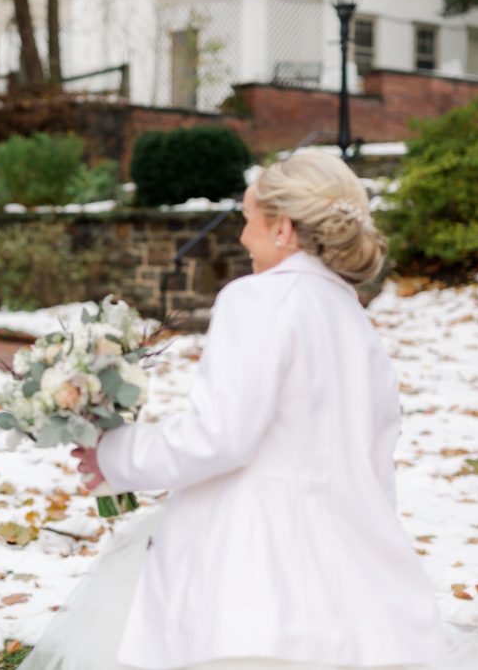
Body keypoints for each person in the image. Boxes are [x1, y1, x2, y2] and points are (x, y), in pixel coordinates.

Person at [53, 149, 452, 670]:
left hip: (254, 586)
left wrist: (115, 453)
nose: (242, 237)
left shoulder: (258, 299)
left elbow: (218, 436)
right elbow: (375, 473)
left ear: (283, 229)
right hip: (357, 593)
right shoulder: (358, 326)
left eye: (247, 218)